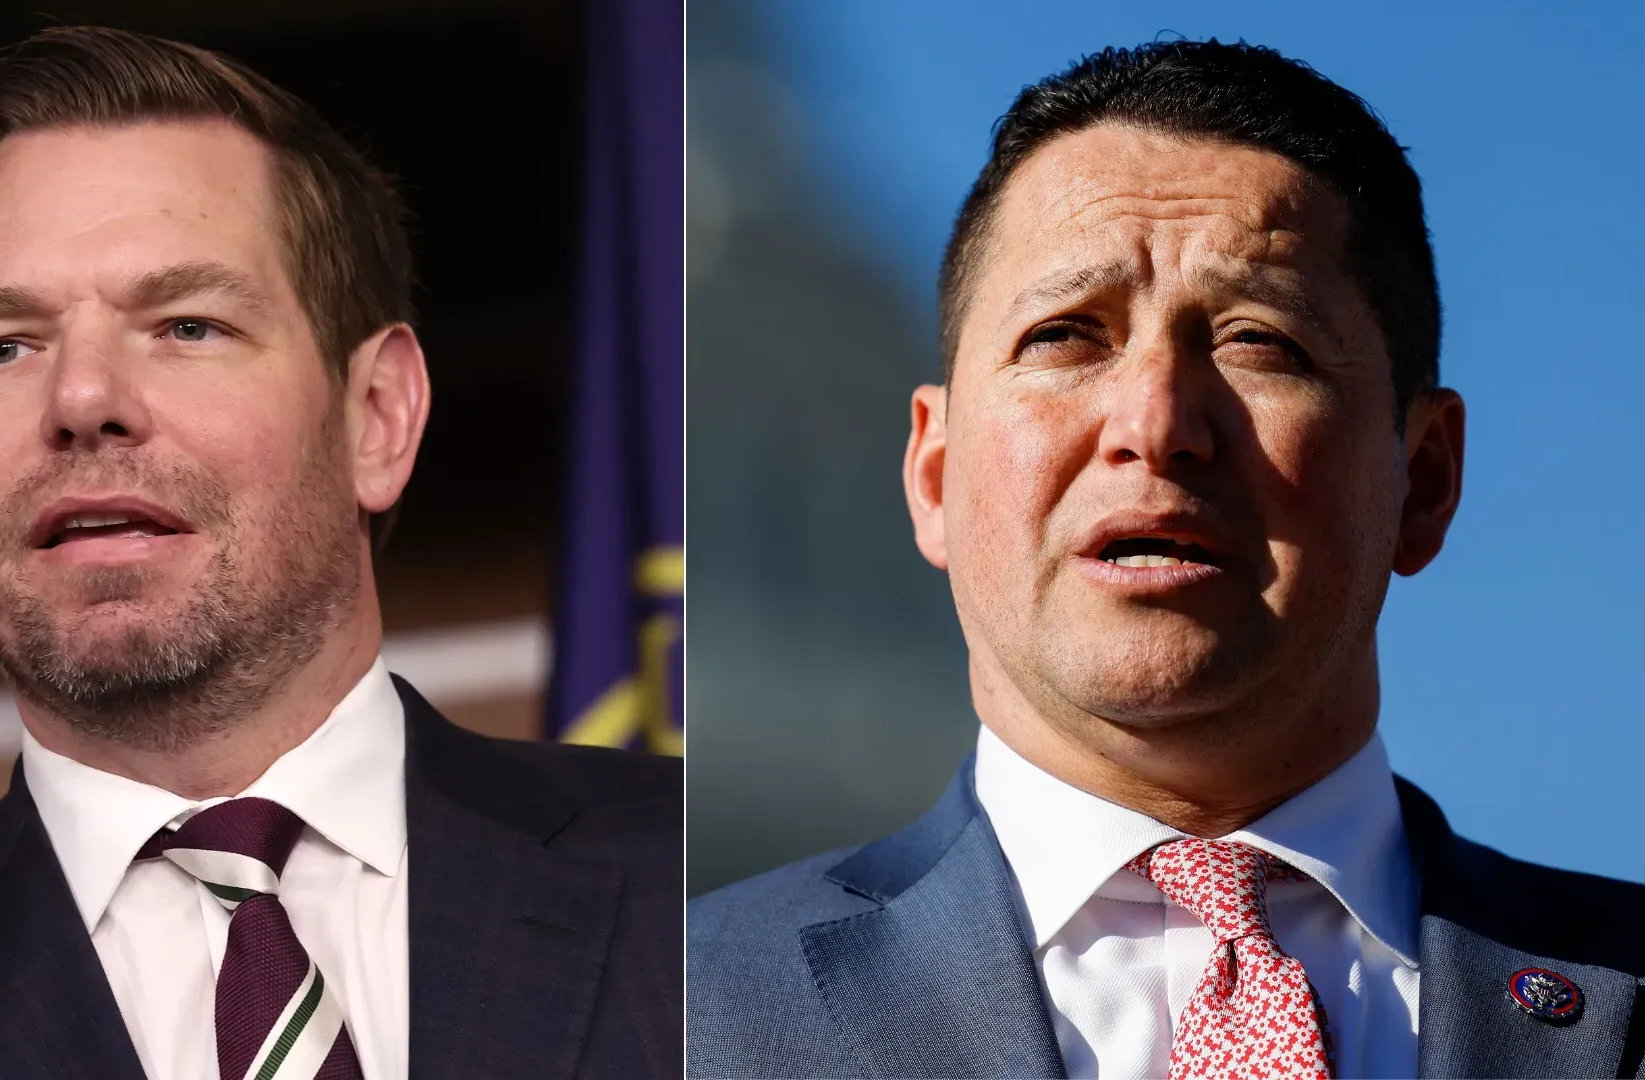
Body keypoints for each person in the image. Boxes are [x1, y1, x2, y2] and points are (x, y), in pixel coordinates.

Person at [0, 26, 680, 1080]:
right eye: (4, 347)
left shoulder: (712, 893)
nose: (82, 401)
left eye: (185, 325)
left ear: (376, 418)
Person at [688, 39, 1645, 1079]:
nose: (1155, 423)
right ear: (933, 475)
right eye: (1064, 336)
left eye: (1260, 342)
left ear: (1423, 480)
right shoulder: (668, 1013)